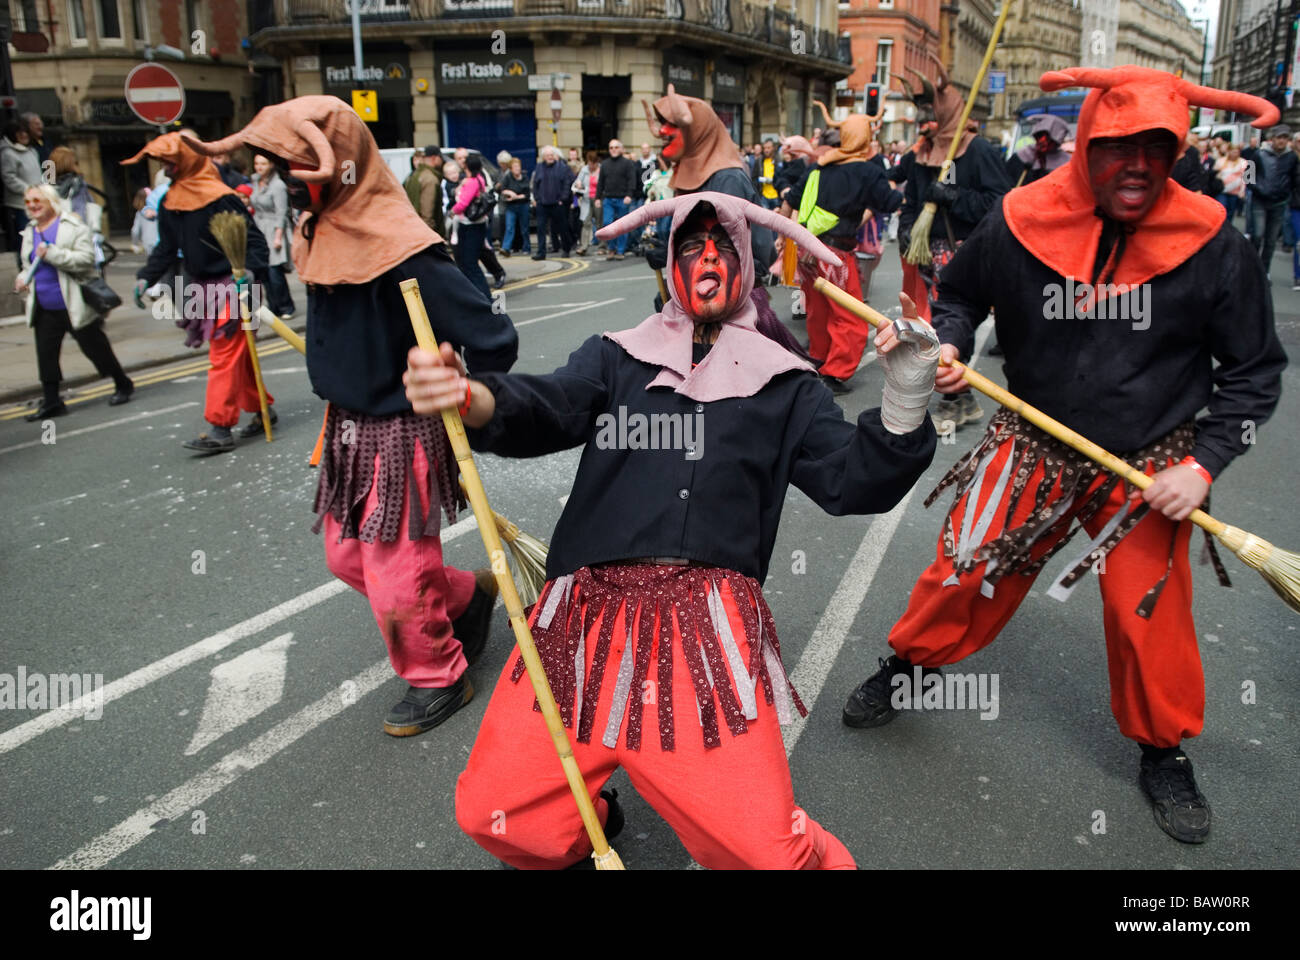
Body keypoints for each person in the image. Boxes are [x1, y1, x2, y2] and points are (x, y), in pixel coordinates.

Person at [405, 191, 939, 869]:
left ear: (747, 265)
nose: (708, 258)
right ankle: (589, 817)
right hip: (581, 621)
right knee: (499, 814)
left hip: (706, 631)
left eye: (723, 246)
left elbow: (852, 480)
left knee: (767, 855)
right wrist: (472, 396)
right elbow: (551, 405)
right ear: (671, 265)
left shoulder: (788, 386)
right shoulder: (616, 357)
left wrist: (906, 397)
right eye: (691, 245)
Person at [841, 66, 1287, 847]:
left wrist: (1203, 465)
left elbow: (1254, 372)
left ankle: (1163, 750)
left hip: (1153, 460)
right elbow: (960, 296)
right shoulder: (1021, 218)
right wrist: (949, 343)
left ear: (1177, 150)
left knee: (1148, 616)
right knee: (964, 569)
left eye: (1157, 147)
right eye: (1118, 147)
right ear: (1086, 145)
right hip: (1034, 440)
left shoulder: (1215, 242)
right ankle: (908, 667)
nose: (1138, 166)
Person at [186, 96, 519, 737]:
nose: (286, 179)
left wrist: (457, 381)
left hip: (404, 431)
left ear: (339, 163)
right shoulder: (320, 228)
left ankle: (440, 673)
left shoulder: (408, 248)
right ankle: (465, 596)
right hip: (346, 429)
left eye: (295, 165)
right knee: (346, 557)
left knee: (395, 573)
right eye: (278, 165)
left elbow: (494, 338)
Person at [124, 132, 273, 453]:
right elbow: (167, 247)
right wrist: (145, 277)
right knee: (239, 354)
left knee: (223, 353)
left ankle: (220, 427)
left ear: (189, 160)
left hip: (234, 285)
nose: (165, 168)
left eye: (170, 161)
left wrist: (249, 273)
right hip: (201, 288)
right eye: (163, 163)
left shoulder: (221, 197)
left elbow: (255, 242)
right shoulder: (170, 201)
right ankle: (263, 410)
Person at [893, 58, 1011, 431]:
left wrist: (953, 196)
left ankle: (955, 398)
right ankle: (957, 395)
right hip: (929, 252)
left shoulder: (978, 151)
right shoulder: (920, 154)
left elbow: (999, 203)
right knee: (932, 321)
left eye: (931, 113)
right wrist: (907, 228)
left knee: (953, 319)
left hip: (966, 250)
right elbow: (912, 201)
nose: (925, 121)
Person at [780, 107, 902, 395]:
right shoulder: (867, 171)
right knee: (849, 316)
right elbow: (889, 202)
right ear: (865, 139)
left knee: (818, 310)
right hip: (835, 255)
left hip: (807, 250)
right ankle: (835, 372)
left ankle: (819, 359)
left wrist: (782, 237)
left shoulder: (818, 167)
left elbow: (791, 201)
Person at [14, 184, 134, 421]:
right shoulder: (29, 230)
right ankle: (52, 402)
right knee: (46, 354)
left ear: (51, 201)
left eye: (37, 200)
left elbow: (86, 259)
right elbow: (29, 264)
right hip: (43, 305)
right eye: (28, 202)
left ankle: (122, 383)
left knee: (96, 349)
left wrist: (52, 254)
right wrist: (22, 278)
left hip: (73, 302)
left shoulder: (72, 225)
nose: (32, 206)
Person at [1242, 124, 1297, 276]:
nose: (1282, 141)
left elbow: (1294, 178)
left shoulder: (1292, 157)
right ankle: (1252, 268)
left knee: (1271, 240)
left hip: (1279, 202)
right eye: (1279, 137)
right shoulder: (1259, 154)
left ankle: (1264, 271)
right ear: (1272, 138)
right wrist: (1258, 189)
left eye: (1285, 138)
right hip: (1260, 200)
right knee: (1257, 234)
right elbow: (1248, 176)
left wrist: (1288, 193)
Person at [250, 152, 296, 321]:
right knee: (264, 271)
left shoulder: (278, 185)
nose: (259, 167)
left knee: (275, 271)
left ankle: (286, 306)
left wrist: (278, 237)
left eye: (263, 164)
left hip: (274, 228)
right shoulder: (255, 181)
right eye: (257, 163)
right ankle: (274, 307)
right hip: (259, 227)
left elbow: (281, 213)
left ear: (271, 165)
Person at [450, 153, 496, 297]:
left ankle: (484, 297)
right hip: (477, 224)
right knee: (467, 263)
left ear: (467, 167)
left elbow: (463, 204)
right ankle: (477, 296)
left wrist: (452, 211)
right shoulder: (479, 179)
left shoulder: (471, 182)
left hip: (469, 226)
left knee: (469, 264)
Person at [3, 120, 42, 263]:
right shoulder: (8, 153)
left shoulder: (32, 151)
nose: (24, 135)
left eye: (25, 132)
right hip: (19, 205)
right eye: (19, 133)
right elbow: (9, 178)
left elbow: (40, 172)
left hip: (37, 201)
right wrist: (28, 189)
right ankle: (25, 267)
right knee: (24, 239)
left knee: (38, 236)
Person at [596, 139, 638, 259]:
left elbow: (632, 180)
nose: (613, 150)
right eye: (611, 148)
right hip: (608, 199)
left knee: (622, 226)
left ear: (621, 149)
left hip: (623, 199)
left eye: (616, 147)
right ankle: (611, 249)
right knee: (607, 224)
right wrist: (598, 198)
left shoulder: (628, 163)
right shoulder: (605, 164)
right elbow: (601, 182)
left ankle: (620, 250)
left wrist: (629, 195)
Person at [530, 145, 573, 260]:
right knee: (541, 229)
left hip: (557, 203)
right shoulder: (539, 167)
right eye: (548, 155)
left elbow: (567, 184)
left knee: (563, 227)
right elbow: (535, 184)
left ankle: (566, 249)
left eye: (552, 155)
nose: (550, 157)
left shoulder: (562, 167)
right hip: (542, 204)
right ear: (543, 157)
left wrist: (563, 199)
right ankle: (541, 252)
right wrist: (537, 198)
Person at [1005, 114, 1070, 186]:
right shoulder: (1022, 156)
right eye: (1040, 136)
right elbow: (1006, 181)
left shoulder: (1066, 162)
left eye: (1048, 139)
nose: (1042, 142)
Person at [499, 156, 531, 255]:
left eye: (518, 166)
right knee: (509, 227)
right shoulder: (508, 178)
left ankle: (526, 247)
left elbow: (527, 194)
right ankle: (506, 248)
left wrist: (516, 197)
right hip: (511, 206)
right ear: (511, 169)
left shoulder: (525, 177)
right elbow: (502, 189)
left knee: (524, 228)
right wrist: (510, 193)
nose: (517, 169)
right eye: (515, 167)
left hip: (523, 205)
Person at [570, 150, 600, 255]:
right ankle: (584, 247)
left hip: (598, 199)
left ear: (596, 162)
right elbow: (577, 182)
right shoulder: (584, 170)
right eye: (589, 163)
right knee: (586, 223)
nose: (591, 166)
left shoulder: (601, 170)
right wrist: (579, 184)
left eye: (593, 164)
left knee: (600, 223)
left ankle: (603, 246)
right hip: (586, 200)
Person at [1215, 142, 1248, 223]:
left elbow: (1244, 178)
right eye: (1233, 152)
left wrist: (1242, 191)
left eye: (1237, 152)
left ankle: (1228, 226)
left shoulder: (1243, 162)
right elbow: (1215, 174)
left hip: (1235, 192)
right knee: (1222, 208)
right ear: (1229, 151)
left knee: (1231, 211)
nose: (1235, 154)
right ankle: (1221, 225)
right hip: (1222, 190)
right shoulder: (1221, 161)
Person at [751, 138, 783, 210]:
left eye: (768, 148)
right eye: (764, 148)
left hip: (776, 196)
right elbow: (754, 177)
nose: (766, 150)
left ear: (773, 148)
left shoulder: (779, 160)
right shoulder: (759, 161)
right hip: (763, 196)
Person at [130, 187, 160, 255]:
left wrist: (135, 243)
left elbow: (135, 231)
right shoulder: (158, 210)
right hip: (161, 240)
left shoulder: (139, 213)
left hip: (148, 242)